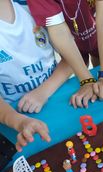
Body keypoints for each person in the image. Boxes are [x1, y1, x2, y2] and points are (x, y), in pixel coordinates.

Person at [0, 0, 72, 151]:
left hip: (59, 98)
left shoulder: (37, 6)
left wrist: (43, 91)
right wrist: (20, 122)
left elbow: (72, 58)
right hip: (15, 121)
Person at [27, 0, 103, 108]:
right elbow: (59, 31)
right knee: (82, 65)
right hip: (70, 42)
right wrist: (86, 80)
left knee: (99, 59)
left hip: (97, 33)